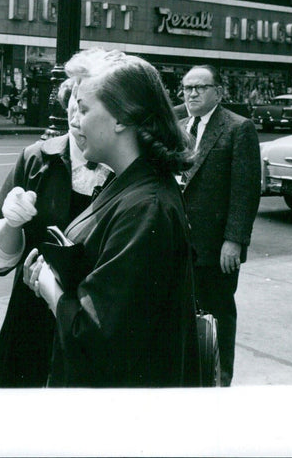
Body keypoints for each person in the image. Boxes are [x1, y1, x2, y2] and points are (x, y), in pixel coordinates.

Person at [23, 55, 200, 387]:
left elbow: (96, 333)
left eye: (85, 110)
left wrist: (47, 284)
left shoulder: (146, 206)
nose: (76, 122)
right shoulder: (135, 186)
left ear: (120, 117)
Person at [0, 48, 122, 388]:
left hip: (94, 325)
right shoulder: (35, 158)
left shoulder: (127, 167)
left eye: (87, 104)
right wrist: (11, 223)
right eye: (74, 98)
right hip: (31, 319)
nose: (76, 113)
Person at [177, 65, 261, 387]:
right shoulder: (181, 127)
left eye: (200, 87)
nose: (192, 93)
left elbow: (245, 189)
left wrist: (234, 241)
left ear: (218, 92)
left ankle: (221, 378)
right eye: (187, 88)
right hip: (181, 242)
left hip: (217, 247)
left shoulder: (238, 128)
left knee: (219, 314)